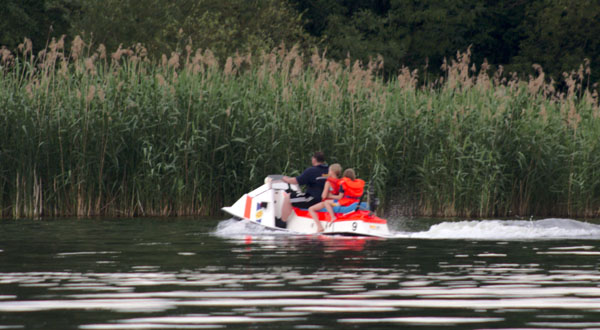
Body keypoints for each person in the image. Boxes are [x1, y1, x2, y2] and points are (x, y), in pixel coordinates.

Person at [279, 152, 329, 225]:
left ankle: (282, 223)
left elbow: (296, 181)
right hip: (325, 199)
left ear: (314, 159)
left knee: (288, 197)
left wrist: (284, 178)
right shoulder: (328, 170)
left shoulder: (311, 171)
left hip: (313, 199)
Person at [307, 163, 342, 232]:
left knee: (311, 209)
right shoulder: (340, 182)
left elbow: (323, 196)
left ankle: (319, 227)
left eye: (329, 171)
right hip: (335, 202)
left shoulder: (328, 182)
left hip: (326, 202)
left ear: (332, 172)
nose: (328, 172)